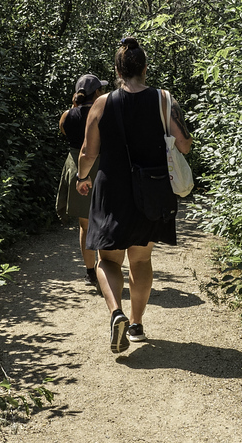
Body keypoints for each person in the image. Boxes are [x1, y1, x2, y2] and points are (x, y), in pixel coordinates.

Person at [76, 37, 191, 353]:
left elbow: (87, 151)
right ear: (144, 68)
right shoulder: (164, 100)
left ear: (117, 70)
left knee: (107, 260)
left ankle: (117, 314)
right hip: (150, 190)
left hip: (112, 192)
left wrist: (81, 176)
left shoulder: (102, 104)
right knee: (141, 260)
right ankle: (137, 324)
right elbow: (184, 143)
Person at [56, 73, 107, 293]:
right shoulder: (104, 113)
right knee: (105, 219)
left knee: (84, 224)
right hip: (102, 166)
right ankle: (106, 267)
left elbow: (64, 132)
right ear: (97, 93)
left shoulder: (67, 116)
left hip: (76, 167)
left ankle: (89, 272)